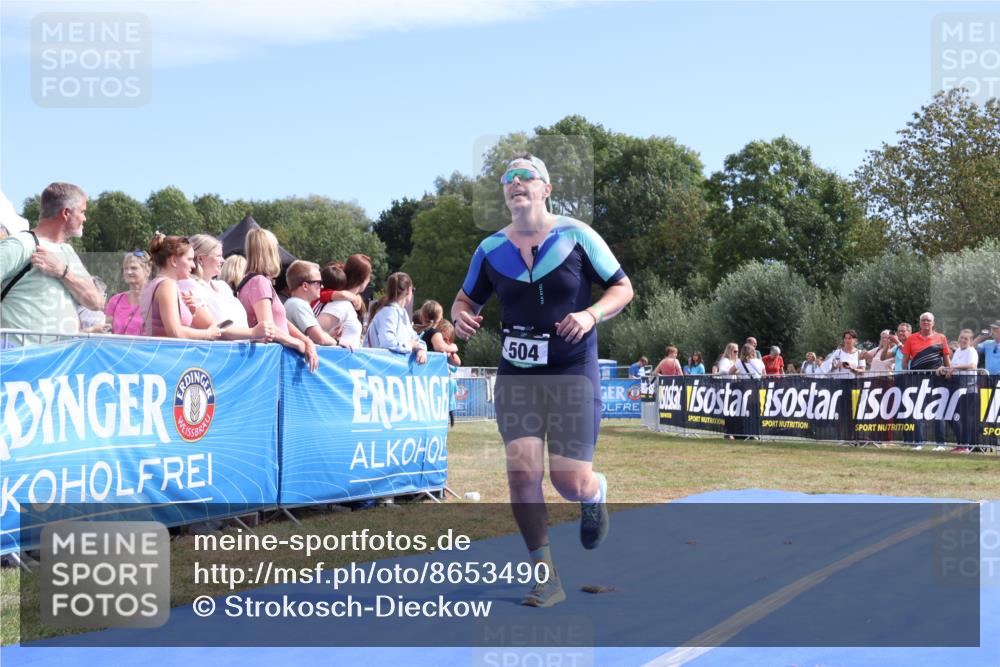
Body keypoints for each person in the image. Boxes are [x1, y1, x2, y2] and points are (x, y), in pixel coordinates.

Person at [451, 153, 633, 608]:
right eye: (507, 178)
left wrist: (591, 314)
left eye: (525, 176)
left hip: (572, 371)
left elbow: (623, 288)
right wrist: (460, 319)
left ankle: (593, 492)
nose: (515, 183)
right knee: (523, 475)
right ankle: (546, 577)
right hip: (517, 377)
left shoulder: (577, 235)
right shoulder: (490, 249)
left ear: (546, 189)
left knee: (568, 481)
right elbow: (463, 300)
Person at [0, 182, 104, 344]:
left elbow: (96, 302)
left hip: (62, 363)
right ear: (66, 213)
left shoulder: (68, 252)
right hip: (22, 362)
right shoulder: (21, 245)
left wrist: (62, 272)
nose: (85, 218)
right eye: (82, 212)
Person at [237, 228, 318, 371]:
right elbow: (268, 327)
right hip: (271, 362)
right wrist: (296, 343)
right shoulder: (259, 282)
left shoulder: (252, 281)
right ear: (269, 252)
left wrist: (305, 340)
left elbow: (280, 319)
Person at [179, 234, 249, 329]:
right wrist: (254, 333)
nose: (223, 260)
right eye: (218, 256)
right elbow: (216, 329)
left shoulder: (223, 286)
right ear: (200, 259)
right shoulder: (188, 285)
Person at [283, 260, 347, 348]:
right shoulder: (298, 304)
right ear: (305, 286)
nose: (322, 286)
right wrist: (337, 342)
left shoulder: (292, 303)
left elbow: (313, 337)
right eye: (318, 283)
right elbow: (320, 339)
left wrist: (328, 335)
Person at [365, 272, 427, 363]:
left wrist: (421, 350)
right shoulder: (388, 312)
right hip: (377, 367)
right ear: (409, 290)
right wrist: (410, 345)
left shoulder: (402, 313)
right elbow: (387, 343)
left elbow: (415, 339)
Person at [316, 254, 371, 348]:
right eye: (370, 276)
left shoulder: (345, 302)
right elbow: (313, 332)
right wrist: (335, 341)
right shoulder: (341, 304)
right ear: (364, 278)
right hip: (334, 360)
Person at [942, 329, 980, 453]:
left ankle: (965, 446)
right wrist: (944, 369)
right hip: (957, 389)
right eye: (961, 337)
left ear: (970, 341)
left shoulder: (971, 351)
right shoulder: (958, 351)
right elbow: (952, 367)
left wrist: (953, 368)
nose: (963, 340)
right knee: (955, 417)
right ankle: (960, 444)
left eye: (966, 338)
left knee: (963, 418)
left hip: (969, 390)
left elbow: (972, 366)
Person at [105, 250, 151, 335]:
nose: (128, 272)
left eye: (134, 268)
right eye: (126, 268)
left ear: (147, 271)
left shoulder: (155, 300)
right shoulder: (115, 300)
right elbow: (107, 330)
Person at [416, 300, 461, 366]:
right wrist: (453, 348)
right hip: (430, 369)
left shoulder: (422, 332)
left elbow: (457, 363)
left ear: (421, 317)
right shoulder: (434, 333)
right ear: (440, 318)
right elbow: (440, 347)